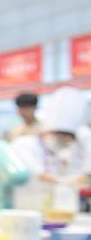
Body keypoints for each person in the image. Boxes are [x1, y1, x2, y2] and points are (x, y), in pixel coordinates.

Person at [11, 87, 87, 215]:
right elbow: (38, 173)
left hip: (48, 200)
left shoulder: (50, 144)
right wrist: (66, 182)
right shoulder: (24, 142)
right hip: (28, 199)